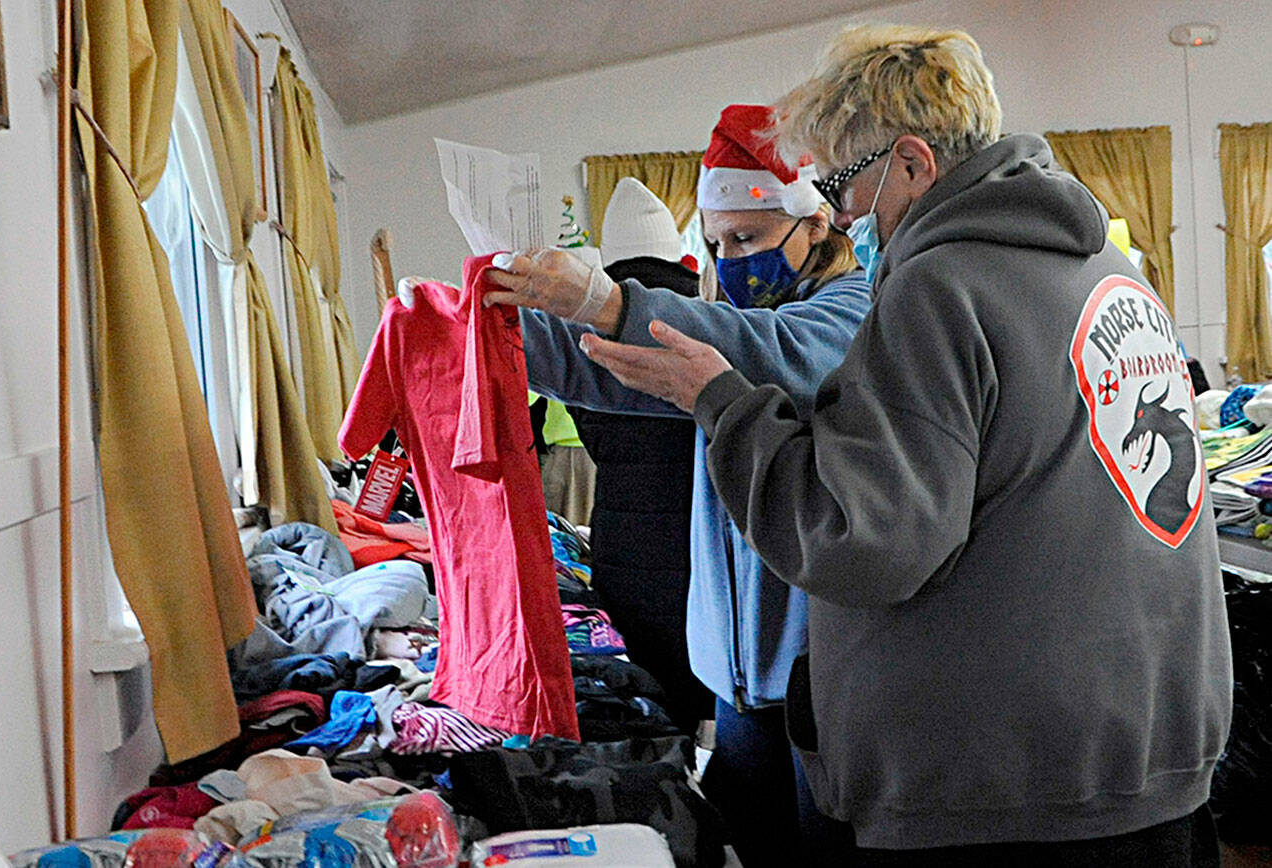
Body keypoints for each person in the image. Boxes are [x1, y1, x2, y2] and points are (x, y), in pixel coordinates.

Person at [577, 25, 1233, 866]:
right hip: (1150, 751)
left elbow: (863, 540)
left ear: (916, 163)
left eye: (846, 184)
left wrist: (722, 403)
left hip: (1006, 796)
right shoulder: (1108, 268)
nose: (844, 215)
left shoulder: (940, 287)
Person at [482, 105, 870, 865]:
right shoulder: (733, 316)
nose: (730, 260)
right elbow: (617, 372)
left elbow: (778, 355)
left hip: (816, 677)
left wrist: (608, 301)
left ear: (817, 225)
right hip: (736, 677)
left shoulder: (852, 311)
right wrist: (492, 328)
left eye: (749, 239)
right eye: (718, 243)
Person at [563, 177, 714, 736]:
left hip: (622, 535)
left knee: (648, 693)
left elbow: (586, 421)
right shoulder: (709, 321)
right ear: (682, 255)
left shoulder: (588, 332)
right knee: (711, 687)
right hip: (701, 540)